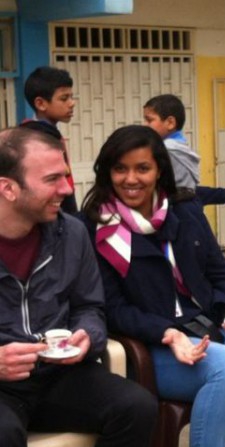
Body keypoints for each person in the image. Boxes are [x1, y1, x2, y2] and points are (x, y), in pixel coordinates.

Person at [80, 125, 225, 447]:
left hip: (210, 322)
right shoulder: (96, 228)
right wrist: (168, 333)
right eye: (120, 169)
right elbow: (111, 309)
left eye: (142, 168)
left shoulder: (184, 209)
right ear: (107, 172)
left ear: (159, 170)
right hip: (153, 342)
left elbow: (220, 273)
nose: (131, 179)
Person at [0, 127, 157, 446]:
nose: (67, 188)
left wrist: (88, 336)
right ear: (8, 188)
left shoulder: (71, 234)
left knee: (137, 407)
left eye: (66, 175)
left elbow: (89, 306)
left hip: (57, 375)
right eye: (52, 179)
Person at [143, 93, 225, 216]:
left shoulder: (165, 150)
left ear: (170, 122)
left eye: (149, 120)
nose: (145, 125)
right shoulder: (181, 148)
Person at [20, 66, 78, 213]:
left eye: (71, 97)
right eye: (64, 98)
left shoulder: (44, 133)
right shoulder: (38, 139)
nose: (72, 103)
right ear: (41, 103)